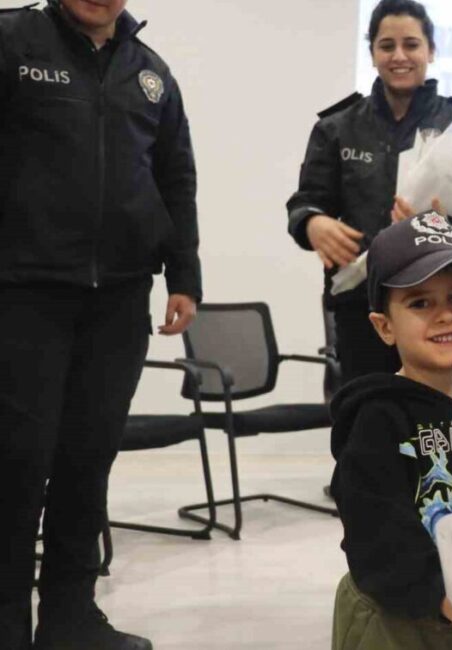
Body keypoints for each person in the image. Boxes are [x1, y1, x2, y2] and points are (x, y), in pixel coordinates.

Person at [0, 2, 200, 649]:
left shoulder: (151, 74)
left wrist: (184, 276)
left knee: (88, 461)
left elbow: (175, 178)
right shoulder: (12, 41)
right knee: (17, 464)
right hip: (24, 294)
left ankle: (70, 616)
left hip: (118, 300)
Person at [286, 0, 452, 386]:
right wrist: (312, 223)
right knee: (371, 420)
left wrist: (444, 231)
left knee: (450, 423)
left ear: (431, 51)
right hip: (363, 307)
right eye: (386, 46)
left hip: (446, 306)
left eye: (411, 44)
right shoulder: (337, 127)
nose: (399, 56)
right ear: (372, 52)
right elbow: (305, 203)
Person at [328, 211, 452, 650]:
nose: (446, 315)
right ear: (384, 326)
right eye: (420, 302)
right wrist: (445, 597)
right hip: (402, 621)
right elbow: (375, 530)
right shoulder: (378, 417)